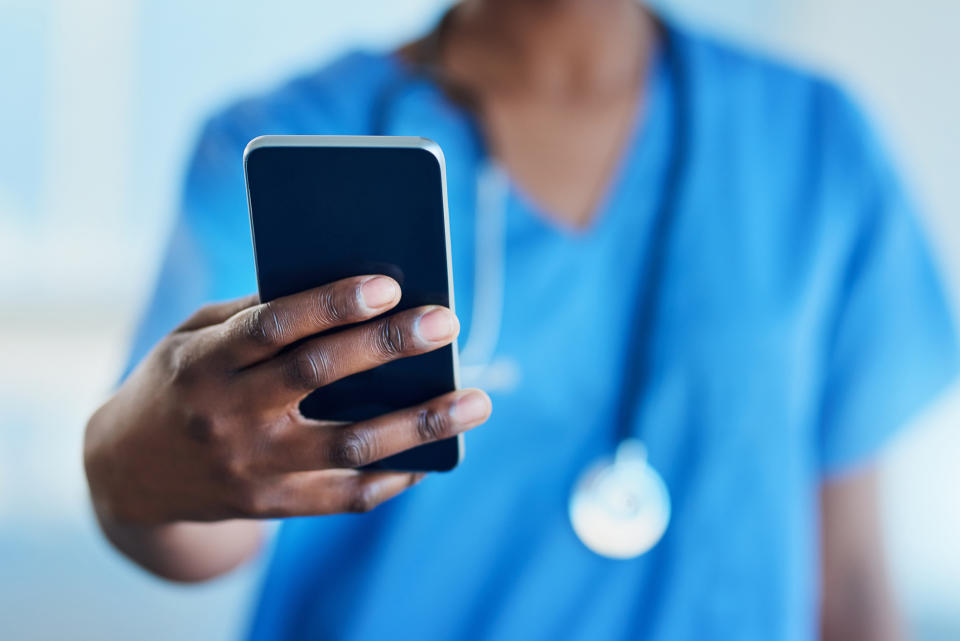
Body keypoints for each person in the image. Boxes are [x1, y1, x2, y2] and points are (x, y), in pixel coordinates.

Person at [83, 1, 959, 640]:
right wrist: (129, 463)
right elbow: (201, 529)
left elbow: (847, 579)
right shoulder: (287, 139)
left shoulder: (811, 140)